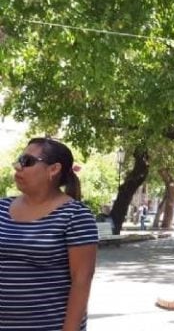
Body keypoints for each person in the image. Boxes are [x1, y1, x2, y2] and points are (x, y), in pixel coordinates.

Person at [0, 137, 98, 331]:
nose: (18, 167)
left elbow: (81, 280)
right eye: (19, 160)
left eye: (27, 162)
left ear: (53, 169)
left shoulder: (75, 215)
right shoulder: (2, 208)